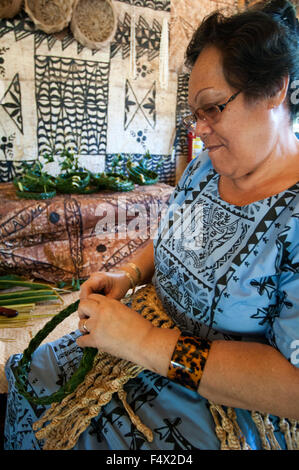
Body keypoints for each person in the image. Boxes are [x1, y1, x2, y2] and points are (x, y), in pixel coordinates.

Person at [4, 0, 299, 450]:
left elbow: (293, 389)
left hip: (219, 400)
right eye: (194, 115)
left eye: (214, 108)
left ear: (276, 89)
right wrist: (130, 273)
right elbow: (174, 239)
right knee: (29, 374)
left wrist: (145, 342)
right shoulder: (205, 170)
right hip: (143, 337)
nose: (201, 130)